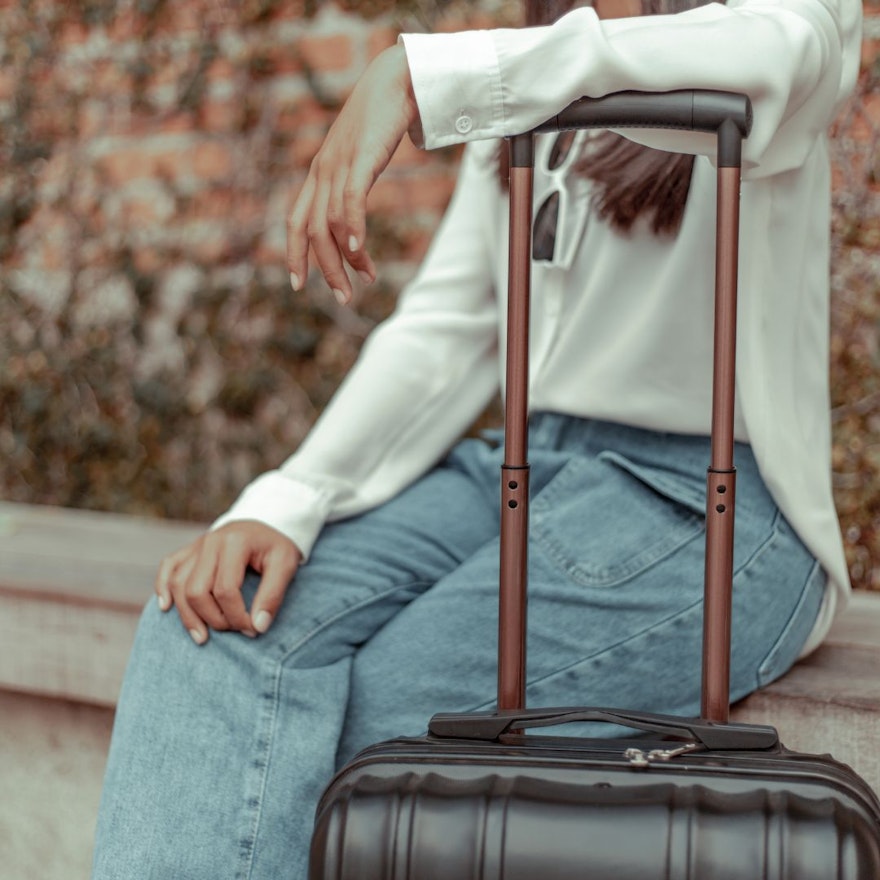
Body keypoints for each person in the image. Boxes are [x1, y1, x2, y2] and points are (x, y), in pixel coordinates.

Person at [92, 0, 862, 877]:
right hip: (521, 466)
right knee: (212, 624)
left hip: (708, 501)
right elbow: (450, 327)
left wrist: (426, 78)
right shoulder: (533, 56)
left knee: (402, 713)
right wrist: (290, 498)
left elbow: (778, 52)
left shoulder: (771, 20)